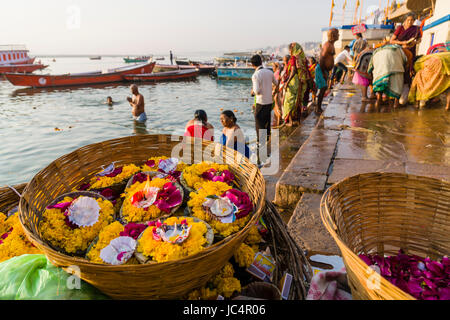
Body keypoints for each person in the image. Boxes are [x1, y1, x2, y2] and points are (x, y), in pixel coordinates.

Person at [250, 54, 278, 161]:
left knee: (259, 124)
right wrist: (272, 91)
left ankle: (261, 149)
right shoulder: (270, 72)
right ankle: (265, 145)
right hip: (269, 102)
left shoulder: (256, 75)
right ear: (261, 62)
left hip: (261, 102)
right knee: (266, 123)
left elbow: (256, 91)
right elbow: (276, 83)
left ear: (252, 64)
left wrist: (252, 92)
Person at [368, 44, 408, 109]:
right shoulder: (399, 49)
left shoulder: (377, 50)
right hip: (396, 68)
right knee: (397, 90)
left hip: (379, 70)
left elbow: (370, 66)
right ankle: (395, 104)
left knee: (379, 93)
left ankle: (379, 100)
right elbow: (405, 60)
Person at [280, 42, 310, 125]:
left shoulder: (293, 58)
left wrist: (287, 82)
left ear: (292, 50)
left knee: (289, 101)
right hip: (300, 81)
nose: (289, 51)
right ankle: (296, 119)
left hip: (293, 81)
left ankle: (290, 121)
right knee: (297, 100)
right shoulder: (302, 58)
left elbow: (293, 71)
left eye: (290, 50)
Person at [390, 13, 422, 85]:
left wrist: (415, 42)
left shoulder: (416, 29)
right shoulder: (400, 28)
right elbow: (391, 41)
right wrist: (402, 43)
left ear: (414, 21)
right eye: (408, 20)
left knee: (409, 70)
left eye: (412, 20)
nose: (410, 22)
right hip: (400, 49)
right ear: (405, 21)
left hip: (411, 50)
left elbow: (419, 40)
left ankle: (408, 85)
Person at [316, 28, 339, 114]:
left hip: (325, 69)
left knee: (324, 88)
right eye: (337, 34)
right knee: (322, 88)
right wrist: (322, 72)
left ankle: (319, 107)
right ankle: (318, 108)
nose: (339, 36)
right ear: (333, 36)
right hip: (321, 69)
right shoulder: (327, 45)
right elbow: (322, 58)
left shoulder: (331, 45)